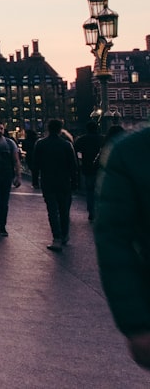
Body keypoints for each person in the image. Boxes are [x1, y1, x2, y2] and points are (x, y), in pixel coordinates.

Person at [94, 126, 150, 370]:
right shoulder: (131, 152)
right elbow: (114, 240)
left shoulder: (128, 151)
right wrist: (136, 323)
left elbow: (112, 241)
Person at [30, 119, 79, 251]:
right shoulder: (66, 145)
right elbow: (73, 166)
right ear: (59, 129)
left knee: (52, 211)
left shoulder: (40, 144)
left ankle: (56, 238)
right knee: (64, 210)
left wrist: (35, 181)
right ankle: (64, 235)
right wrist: (74, 182)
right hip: (64, 182)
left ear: (48, 129)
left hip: (48, 181)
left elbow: (36, 165)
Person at [73, 121, 104, 222]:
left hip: (88, 168)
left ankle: (91, 212)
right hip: (101, 169)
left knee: (89, 191)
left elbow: (74, 150)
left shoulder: (82, 139)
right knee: (100, 192)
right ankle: (100, 212)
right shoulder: (102, 138)